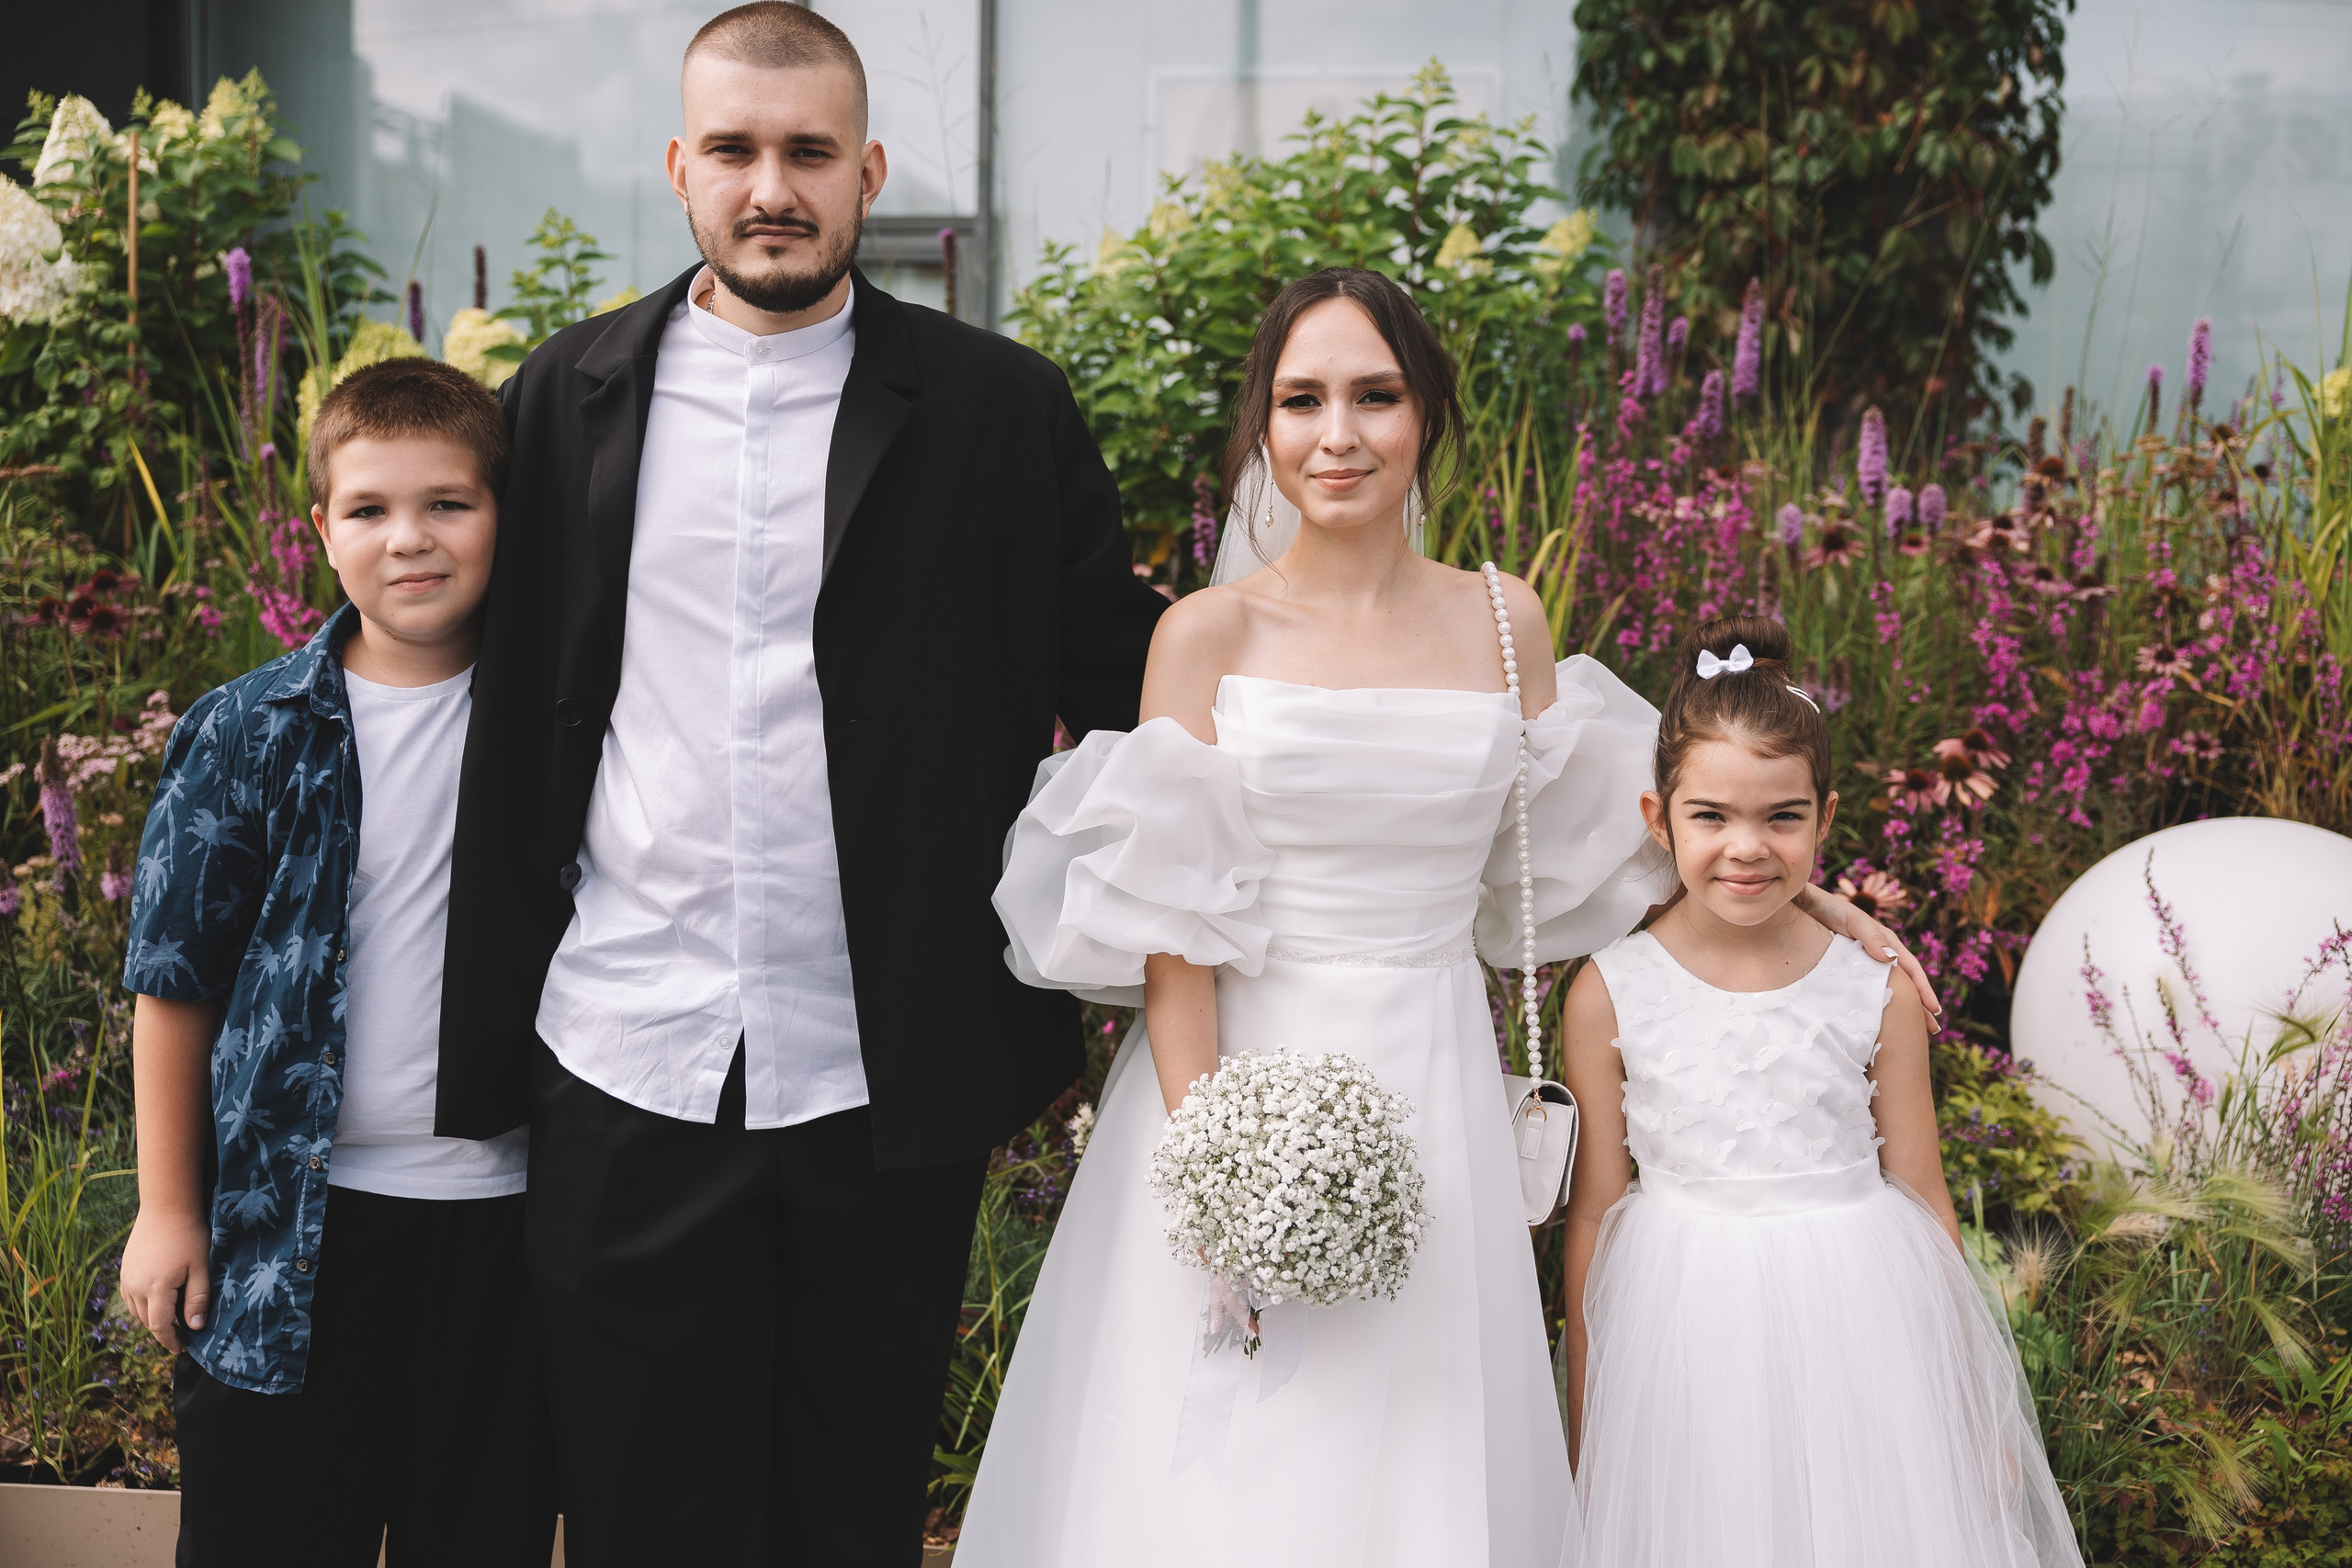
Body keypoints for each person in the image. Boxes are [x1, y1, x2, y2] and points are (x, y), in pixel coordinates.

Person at [959, 270, 1928, 1568]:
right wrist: (1218, 1173)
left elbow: (1637, 826)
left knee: (1418, 1448)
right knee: (1242, 1456)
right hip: (1239, 1086)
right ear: (1262, 429)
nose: (1337, 433)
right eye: (1301, 400)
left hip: (1434, 1077)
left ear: (1427, 417)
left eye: (1376, 395)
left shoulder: (1501, 617)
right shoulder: (1204, 634)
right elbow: (1174, 940)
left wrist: (1819, 898)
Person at [433, 4, 1167, 1561]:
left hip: (884, 1075)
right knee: (644, 1520)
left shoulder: (998, 407)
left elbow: (1128, 677)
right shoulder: (569, 397)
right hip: (624, 1055)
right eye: (740, 152)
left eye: (811, 153)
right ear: (682, 168)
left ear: (868, 170)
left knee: (849, 1512)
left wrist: (1359, 676)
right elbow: (467, 670)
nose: (775, 186)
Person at [118, 359, 553, 1566]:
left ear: (502, 514)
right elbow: (173, 981)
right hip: (287, 1234)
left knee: (480, 1531)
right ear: (320, 529)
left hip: (505, 1230)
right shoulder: (251, 730)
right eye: (369, 509)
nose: (409, 538)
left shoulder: (559, 722)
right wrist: (167, 1208)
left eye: (448, 504)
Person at [1560, 617, 2082, 1568]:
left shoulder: (1870, 986)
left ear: (1825, 818)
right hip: (1684, 1328)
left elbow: (1923, 1197)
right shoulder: (1610, 990)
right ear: (1657, 818)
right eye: (1710, 816)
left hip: (1861, 1321)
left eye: (1781, 817)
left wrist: (1972, 1413)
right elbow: (1594, 1213)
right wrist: (1588, 1418)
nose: (1746, 848)